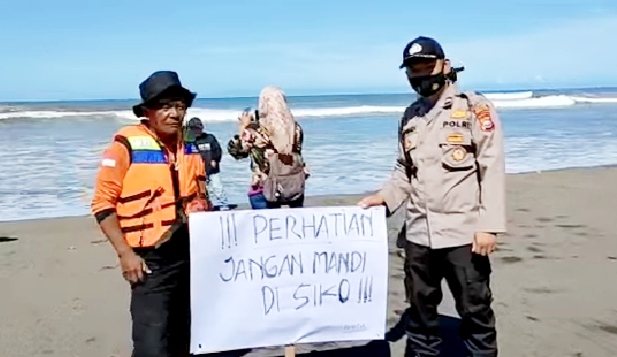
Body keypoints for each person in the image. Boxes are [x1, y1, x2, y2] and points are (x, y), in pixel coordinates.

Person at [358, 36, 506, 357]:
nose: (422, 76)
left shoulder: (474, 109)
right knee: (421, 316)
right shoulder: (410, 116)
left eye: (428, 66)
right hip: (418, 236)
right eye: (414, 70)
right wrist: (383, 198)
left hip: (463, 235)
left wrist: (489, 225)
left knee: (476, 312)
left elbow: (491, 167)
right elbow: (403, 172)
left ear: (445, 65)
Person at [90, 71, 210, 357]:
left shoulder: (189, 144)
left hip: (190, 250)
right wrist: (125, 254)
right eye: (165, 106)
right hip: (149, 257)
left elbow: (201, 195)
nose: (174, 114)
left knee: (184, 333)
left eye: (180, 106)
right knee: (152, 341)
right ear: (148, 111)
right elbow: (102, 204)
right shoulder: (125, 145)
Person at [229, 86, 309, 209]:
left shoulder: (255, 130)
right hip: (292, 183)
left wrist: (243, 127)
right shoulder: (295, 128)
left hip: (264, 185)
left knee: (268, 226)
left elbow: (238, 152)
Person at [185, 117, 230, 210]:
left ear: (202, 128)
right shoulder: (189, 142)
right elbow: (187, 157)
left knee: (217, 188)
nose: (196, 131)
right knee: (203, 190)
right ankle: (207, 205)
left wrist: (215, 159)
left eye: (198, 128)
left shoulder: (210, 138)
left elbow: (218, 150)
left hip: (212, 169)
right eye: (193, 129)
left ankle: (223, 204)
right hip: (199, 171)